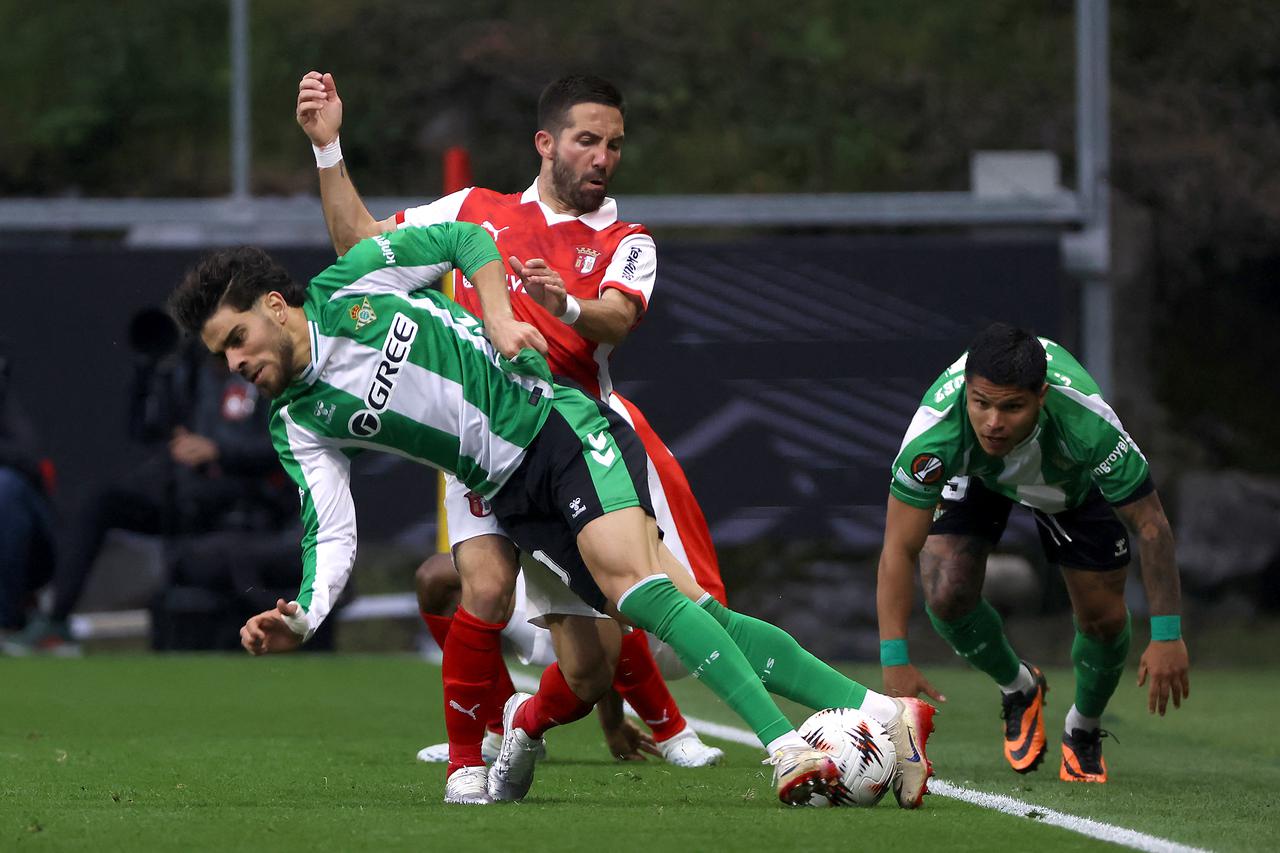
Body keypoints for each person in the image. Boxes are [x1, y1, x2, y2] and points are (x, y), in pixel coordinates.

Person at [166, 225, 935, 809]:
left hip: (553, 425)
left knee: (639, 592)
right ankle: (887, 714)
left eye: (236, 339)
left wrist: (500, 318)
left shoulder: (356, 281)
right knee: (688, 617)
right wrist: (304, 615)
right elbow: (331, 530)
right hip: (507, 493)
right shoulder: (296, 420)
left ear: (275, 306)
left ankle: (785, 747)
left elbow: (468, 240)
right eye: (220, 355)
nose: (234, 363)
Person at [295, 72, 730, 781]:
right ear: (545, 143)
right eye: (587, 140)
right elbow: (359, 246)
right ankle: (479, 749)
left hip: (573, 447)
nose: (603, 158)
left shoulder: (626, 238)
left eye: (615, 145)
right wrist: (327, 148)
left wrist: (566, 307)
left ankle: (606, 720)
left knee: (606, 657)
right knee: (477, 589)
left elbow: (619, 317)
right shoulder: (474, 210)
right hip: (478, 449)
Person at [876, 322, 1190, 784]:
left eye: (1012, 407)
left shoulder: (1086, 423)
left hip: (1067, 484)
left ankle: (1083, 727)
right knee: (945, 592)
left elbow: (1151, 524)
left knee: (1103, 620)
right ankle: (1019, 688)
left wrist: (1166, 635)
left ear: (1041, 397)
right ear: (966, 392)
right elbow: (898, 550)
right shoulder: (934, 437)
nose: (993, 422)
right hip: (977, 473)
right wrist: (894, 660)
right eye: (981, 403)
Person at [5, 343, 293, 655]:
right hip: (185, 492)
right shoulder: (189, 370)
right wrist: (146, 373)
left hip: (242, 500)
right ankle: (55, 621)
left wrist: (219, 452)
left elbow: (283, 446)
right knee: (102, 500)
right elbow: (145, 429)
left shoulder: (267, 371)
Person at [0, 339, 56, 643]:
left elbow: (30, 459)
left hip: (33, 542)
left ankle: (6, 623)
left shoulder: (5, 399)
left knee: (5, 487)